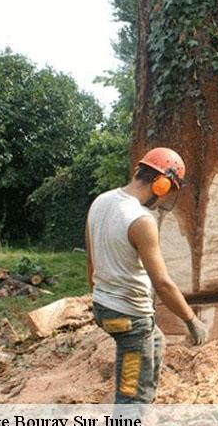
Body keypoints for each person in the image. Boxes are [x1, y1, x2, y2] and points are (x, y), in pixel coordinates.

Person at [86, 147, 208, 404]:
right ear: (162, 185)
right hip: (130, 320)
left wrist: (97, 298)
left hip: (103, 308)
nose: (163, 201)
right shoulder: (141, 220)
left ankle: (144, 402)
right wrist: (191, 321)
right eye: (167, 194)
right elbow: (162, 283)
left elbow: (91, 261)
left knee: (155, 340)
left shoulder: (100, 201)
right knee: (130, 396)